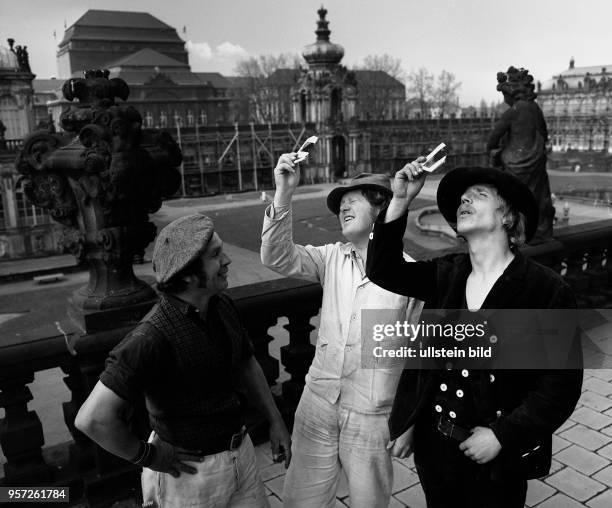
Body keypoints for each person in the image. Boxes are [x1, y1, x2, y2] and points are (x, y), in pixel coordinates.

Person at [365, 161, 583, 508]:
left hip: (497, 460)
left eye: (478, 195)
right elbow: (382, 270)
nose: (463, 202)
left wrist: (503, 435)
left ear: (508, 217)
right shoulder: (447, 273)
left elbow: (561, 385)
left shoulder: (547, 290)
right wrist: (399, 201)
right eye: (462, 199)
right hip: (434, 449)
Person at [75, 213, 291, 508]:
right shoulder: (151, 337)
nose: (227, 260)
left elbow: (245, 362)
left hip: (243, 456)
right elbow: (92, 419)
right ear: (188, 274)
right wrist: (148, 457)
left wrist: (276, 421)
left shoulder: (220, 305)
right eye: (216, 255)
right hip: (190, 477)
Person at [261, 153, 423, 508]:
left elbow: (418, 355)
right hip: (317, 402)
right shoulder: (331, 257)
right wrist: (283, 193)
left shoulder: (411, 277)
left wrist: (409, 422)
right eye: (340, 204)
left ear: (381, 209)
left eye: (354, 200)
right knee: (300, 501)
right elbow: (276, 257)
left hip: (372, 416)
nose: (343, 207)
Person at [487, 66, 554, 241]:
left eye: (504, 96)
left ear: (511, 93)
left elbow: (492, 138)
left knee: (514, 201)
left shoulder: (513, 111)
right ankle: (540, 232)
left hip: (514, 164)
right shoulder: (534, 108)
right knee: (538, 198)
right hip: (535, 163)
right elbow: (544, 134)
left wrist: (497, 149)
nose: (505, 100)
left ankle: (515, 234)